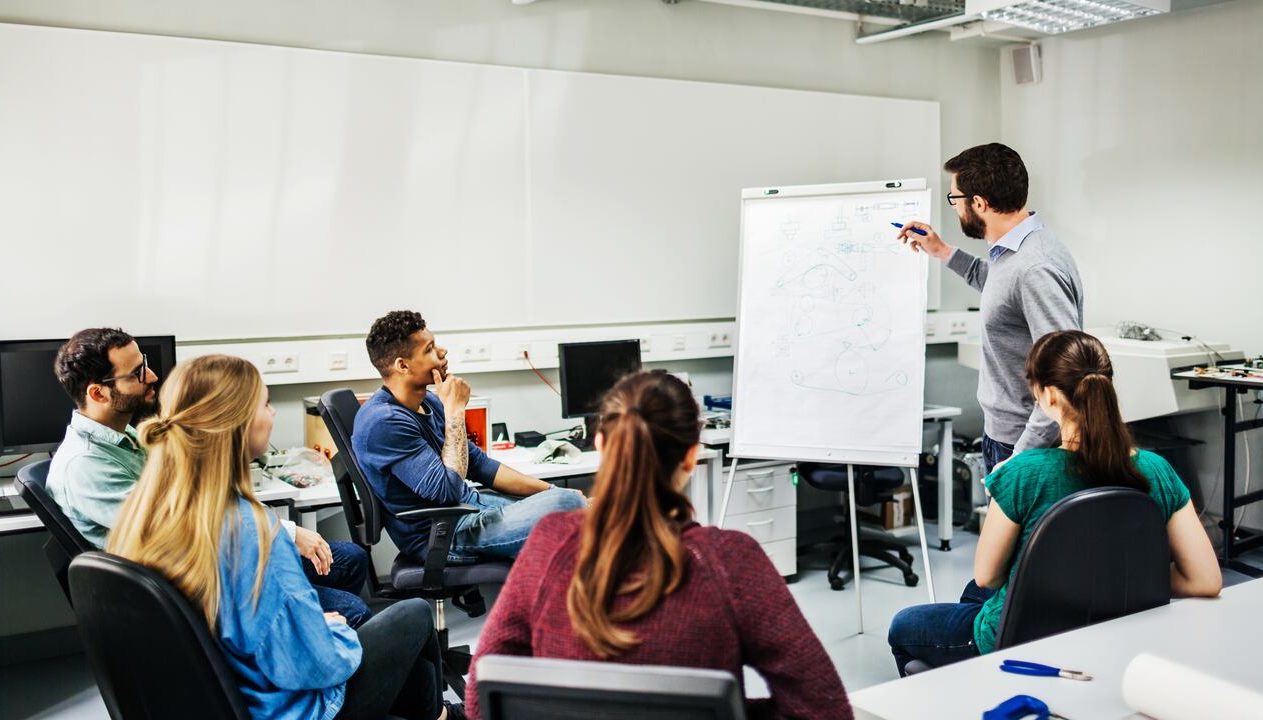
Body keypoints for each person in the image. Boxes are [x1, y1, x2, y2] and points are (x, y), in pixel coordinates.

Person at [466, 371, 851, 720]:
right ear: (691, 455)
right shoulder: (731, 562)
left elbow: (482, 697)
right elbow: (824, 710)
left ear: (601, 444)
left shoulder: (549, 543)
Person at [107, 354, 458, 720]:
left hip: (231, 696)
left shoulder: (149, 509)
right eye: (266, 403)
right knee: (415, 614)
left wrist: (316, 628)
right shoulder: (250, 534)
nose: (273, 414)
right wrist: (333, 632)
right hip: (288, 709)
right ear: (237, 424)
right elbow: (314, 666)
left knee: (419, 674)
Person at [887, 331, 1221, 675]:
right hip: (1118, 631)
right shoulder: (1158, 470)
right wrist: (1117, 581)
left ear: (1046, 395)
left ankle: (976, 685)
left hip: (1024, 637)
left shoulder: (1023, 473)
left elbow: (989, 575)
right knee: (974, 593)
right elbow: (1206, 580)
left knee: (905, 625)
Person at [47, 328, 373, 627]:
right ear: (99, 393)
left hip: (212, 560)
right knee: (353, 612)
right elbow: (181, 527)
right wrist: (284, 534)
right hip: (195, 585)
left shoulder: (126, 437)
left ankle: (308, 635)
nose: (152, 375)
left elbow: (190, 502)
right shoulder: (84, 466)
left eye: (144, 363)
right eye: (136, 374)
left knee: (350, 559)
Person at [896, 143, 1083, 472]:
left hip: (1027, 446)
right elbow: (1002, 291)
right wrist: (940, 250)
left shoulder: (1035, 268)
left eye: (955, 199)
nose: (954, 208)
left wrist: (1021, 458)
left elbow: (1063, 376)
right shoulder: (1018, 250)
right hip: (1009, 438)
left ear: (979, 203)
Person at [352, 311, 584, 563]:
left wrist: (548, 490)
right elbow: (448, 492)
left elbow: (479, 464)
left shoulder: (428, 401)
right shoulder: (383, 422)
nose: (442, 352)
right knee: (568, 507)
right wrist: (455, 412)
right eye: (429, 349)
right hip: (443, 535)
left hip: (471, 507)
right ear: (403, 365)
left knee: (567, 502)